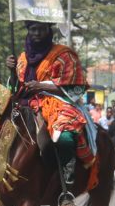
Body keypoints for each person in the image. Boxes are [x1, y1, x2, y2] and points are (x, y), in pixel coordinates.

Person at [5, 20, 91, 187]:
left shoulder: (64, 55)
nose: (37, 33)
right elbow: (16, 88)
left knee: (64, 136)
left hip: (57, 102)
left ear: (49, 31)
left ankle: (67, 172)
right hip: (26, 102)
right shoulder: (22, 58)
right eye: (33, 29)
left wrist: (41, 85)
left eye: (41, 29)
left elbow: (76, 87)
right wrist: (11, 70)